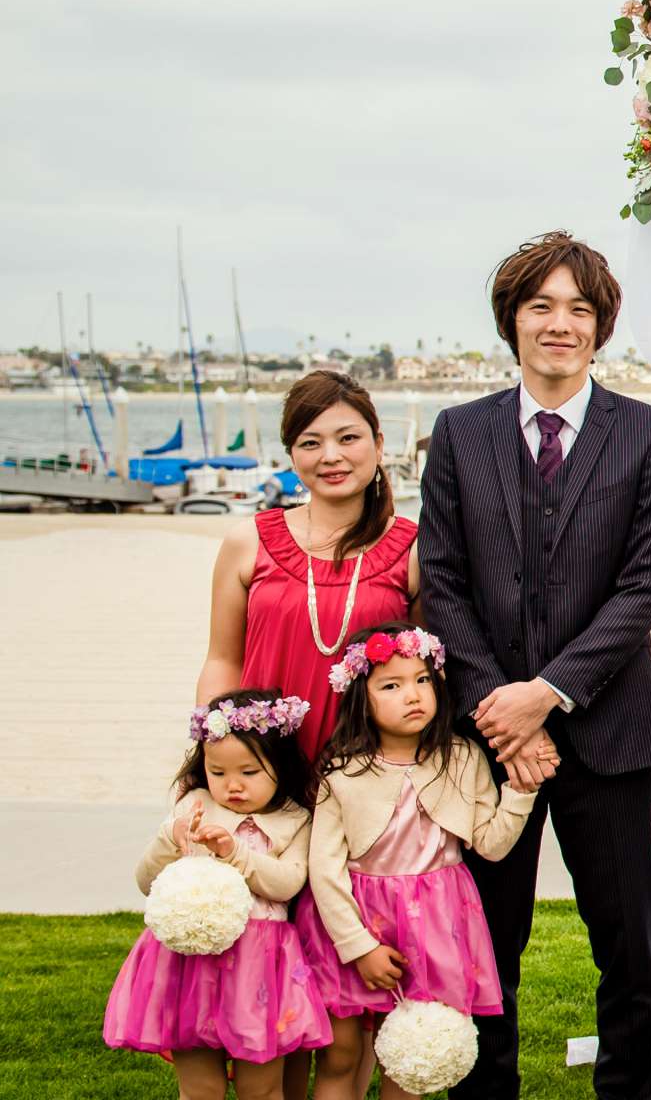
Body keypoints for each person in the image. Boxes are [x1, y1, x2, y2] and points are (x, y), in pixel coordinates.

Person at [416, 231, 651, 1100]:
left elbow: (644, 586)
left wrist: (548, 693)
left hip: (610, 731)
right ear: (513, 321)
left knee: (627, 949)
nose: (560, 324)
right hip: (488, 740)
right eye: (542, 306)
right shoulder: (460, 434)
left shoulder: (648, 434)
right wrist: (501, 705)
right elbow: (444, 581)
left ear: (601, 326)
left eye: (578, 308)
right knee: (487, 948)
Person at [301, 623, 535, 1100]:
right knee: (342, 1053)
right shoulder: (342, 770)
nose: (413, 695)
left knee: (409, 1052)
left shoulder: (462, 759)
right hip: (356, 923)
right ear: (360, 699)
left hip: (434, 926)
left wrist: (521, 793)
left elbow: (489, 843)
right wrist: (358, 947)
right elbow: (324, 869)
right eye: (392, 685)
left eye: (423, 680)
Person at [104, 690, 327, 1099]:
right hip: (189, 964)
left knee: (260, 1087)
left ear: (279, 766)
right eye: (218, 772)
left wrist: (234, 852)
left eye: (249, 771)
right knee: (199, 1086)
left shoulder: (293, 819)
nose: (233, 785)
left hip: (260, 965)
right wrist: (170, 838)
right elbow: (145, 879)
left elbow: (287, 883)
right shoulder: (195, 804)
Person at [199, 369, 418, 760]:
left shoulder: (414, 549)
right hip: (265, 771)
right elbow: (223, 659)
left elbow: (428, 676)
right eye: (311, 443)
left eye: (348, 438)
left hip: (370, 777)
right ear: (292, 456)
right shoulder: (248, 541)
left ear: (379, 444)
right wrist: (212, 757)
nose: (330, 456)